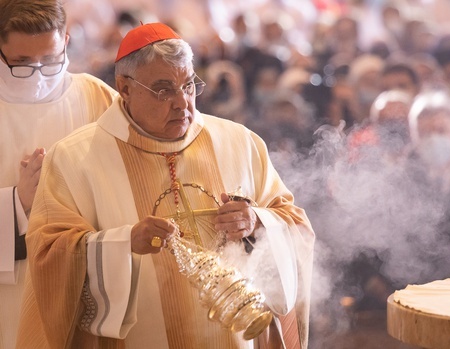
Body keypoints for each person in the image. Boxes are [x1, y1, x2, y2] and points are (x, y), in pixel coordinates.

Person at [17, 22, 315, 349]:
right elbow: (49, 252)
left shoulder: (239, 142)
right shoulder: (75, 158)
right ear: (125, 88)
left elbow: (294, 222)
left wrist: (256, 221)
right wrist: (123, 243)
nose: (181, 103)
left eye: (188, 86)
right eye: (163, 90)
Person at [0, 0, 117, 347]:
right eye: (21, 63)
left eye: (50, 61)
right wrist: (16, 203)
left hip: (76, 285)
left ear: (66, 41)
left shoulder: (99, 99)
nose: (37, 75)